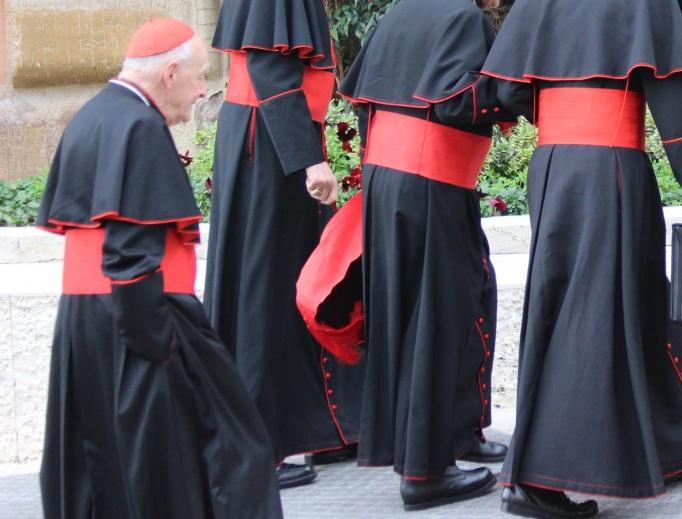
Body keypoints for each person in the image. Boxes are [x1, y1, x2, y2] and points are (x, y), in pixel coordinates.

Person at [37, 19, 283, 519]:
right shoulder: (138, 125)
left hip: (88, 323)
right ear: (169, 73)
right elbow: (129, 253)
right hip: (146, 319)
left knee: (113, 464)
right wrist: (161, 347)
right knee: (232, 451)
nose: (200, 92)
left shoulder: (94, 115)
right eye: (196, 78)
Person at [481, 0, 682, 517]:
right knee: (596, 313)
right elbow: (673, 103)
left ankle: (656, 445)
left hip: (552, 164)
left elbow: (505, 89)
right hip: (611, 164)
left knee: (564, 305)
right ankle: (541, 480)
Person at [338, 0, 516, 510]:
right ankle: (426, 470)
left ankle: (457, 435)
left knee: (457, 299)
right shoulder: (460, 17)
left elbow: (362, 97)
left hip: (391, 180)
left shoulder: (400, 12)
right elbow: (461, 102)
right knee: (437, 318)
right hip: (430, 177)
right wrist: (516, 93)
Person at [205, 0, 366, 488]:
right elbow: (272, 69)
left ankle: (312, 429)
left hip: (270, 139)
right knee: (268, 285)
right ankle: (259, 447)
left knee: (294, 278)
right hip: (271, 144)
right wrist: (309, 160)